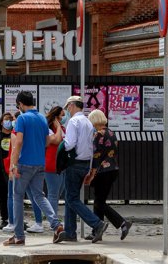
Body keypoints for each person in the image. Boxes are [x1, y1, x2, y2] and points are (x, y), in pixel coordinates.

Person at [4, 91, 64, 246]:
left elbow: (18, 142)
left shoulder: (22, 118)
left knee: (17, 197)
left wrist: (13, 164)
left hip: (24, 164)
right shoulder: (42, 119)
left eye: (18, 105)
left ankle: (19, 236)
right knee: (39, 196)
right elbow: (46, 142)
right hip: (40, 164)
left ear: (21, 104)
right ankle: (56, 225)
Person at [55, 96, 108, 244]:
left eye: (68, 107)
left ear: (72, 105)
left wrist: (61, 146)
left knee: (71, 198)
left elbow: (70, 144)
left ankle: (97, 224)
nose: (67, 110)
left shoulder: (74, 121)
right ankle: (70, 232)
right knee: (70, 198)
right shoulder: (88, 122)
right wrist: (90, 168)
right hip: (85, 164)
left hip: (74, 163)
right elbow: (91, 148)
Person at [84, 109, 132, 241]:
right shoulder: (111, 133)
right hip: (112, 170)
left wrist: (91, 174)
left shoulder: (98, 134)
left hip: (103, 171)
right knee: (98, 201)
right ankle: (96, 231)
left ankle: (122, 223)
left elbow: (96, 156)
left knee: (99, 202)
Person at [2, 111, 44, 233]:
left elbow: (15, 150)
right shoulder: (31, 131)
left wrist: (12, 167)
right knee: (35, 196)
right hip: (34, 164)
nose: (13, 121)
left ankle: (13, 223)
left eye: (14, 118)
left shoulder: (15, 133)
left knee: (13, 196)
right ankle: (40, 222)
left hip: (19, 166)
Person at [44, 106, 66, 215]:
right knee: (53, 194)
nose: (64, 117)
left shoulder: (62, 128)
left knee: (58, 193)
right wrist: (58, 127)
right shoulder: (49, 128)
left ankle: (53, 216)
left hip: (61, 164)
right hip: (51, 164)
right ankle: (53, 220)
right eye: (62, 115)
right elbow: (56, 141)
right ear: (56, 117)